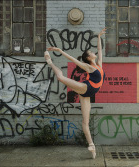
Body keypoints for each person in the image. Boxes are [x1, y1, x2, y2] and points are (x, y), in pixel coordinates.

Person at [44, 28, 106, 159]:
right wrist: (60, 51)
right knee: (61, 78)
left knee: (85, 121)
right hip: (86, 88)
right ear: (89, 58)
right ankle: (50, 62)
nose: (94, 52)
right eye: (91, 52)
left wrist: (99, 36)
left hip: (88, 94)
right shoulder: (89, 67)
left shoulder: (99, 64)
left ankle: (91, 146)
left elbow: (100, 50)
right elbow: (74, 60)